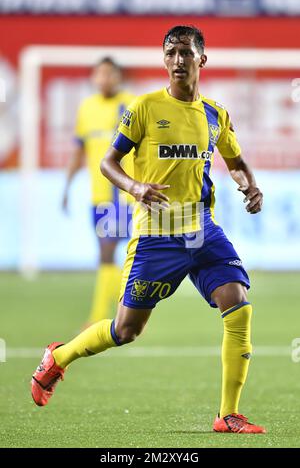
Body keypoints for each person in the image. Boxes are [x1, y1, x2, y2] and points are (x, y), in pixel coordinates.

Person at [31, 26, 265, 434]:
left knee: (238, 303)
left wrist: (250, 186)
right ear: (164, 60)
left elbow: (237, 161)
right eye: (171, 53)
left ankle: (228, 414)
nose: (178, 60)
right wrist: (135, 186)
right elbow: (108, 162)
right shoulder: (143, 108)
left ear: (201, 60)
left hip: (202, 230)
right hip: (156, 236)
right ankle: (59, 357)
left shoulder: (215, 113)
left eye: (186, 53)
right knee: (126, 330)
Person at [62, 57, 134, 325]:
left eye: (110, 74)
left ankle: (98, 317)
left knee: (107, 252)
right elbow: (79, 150)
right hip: (98, 194)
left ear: (119, 77)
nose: (105, 79)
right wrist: (67, 186)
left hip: (122, 194)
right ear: (94, 78)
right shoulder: (87, 108)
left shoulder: (130, 104)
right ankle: (126, 316)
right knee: (109, 254)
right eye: (100, 74)